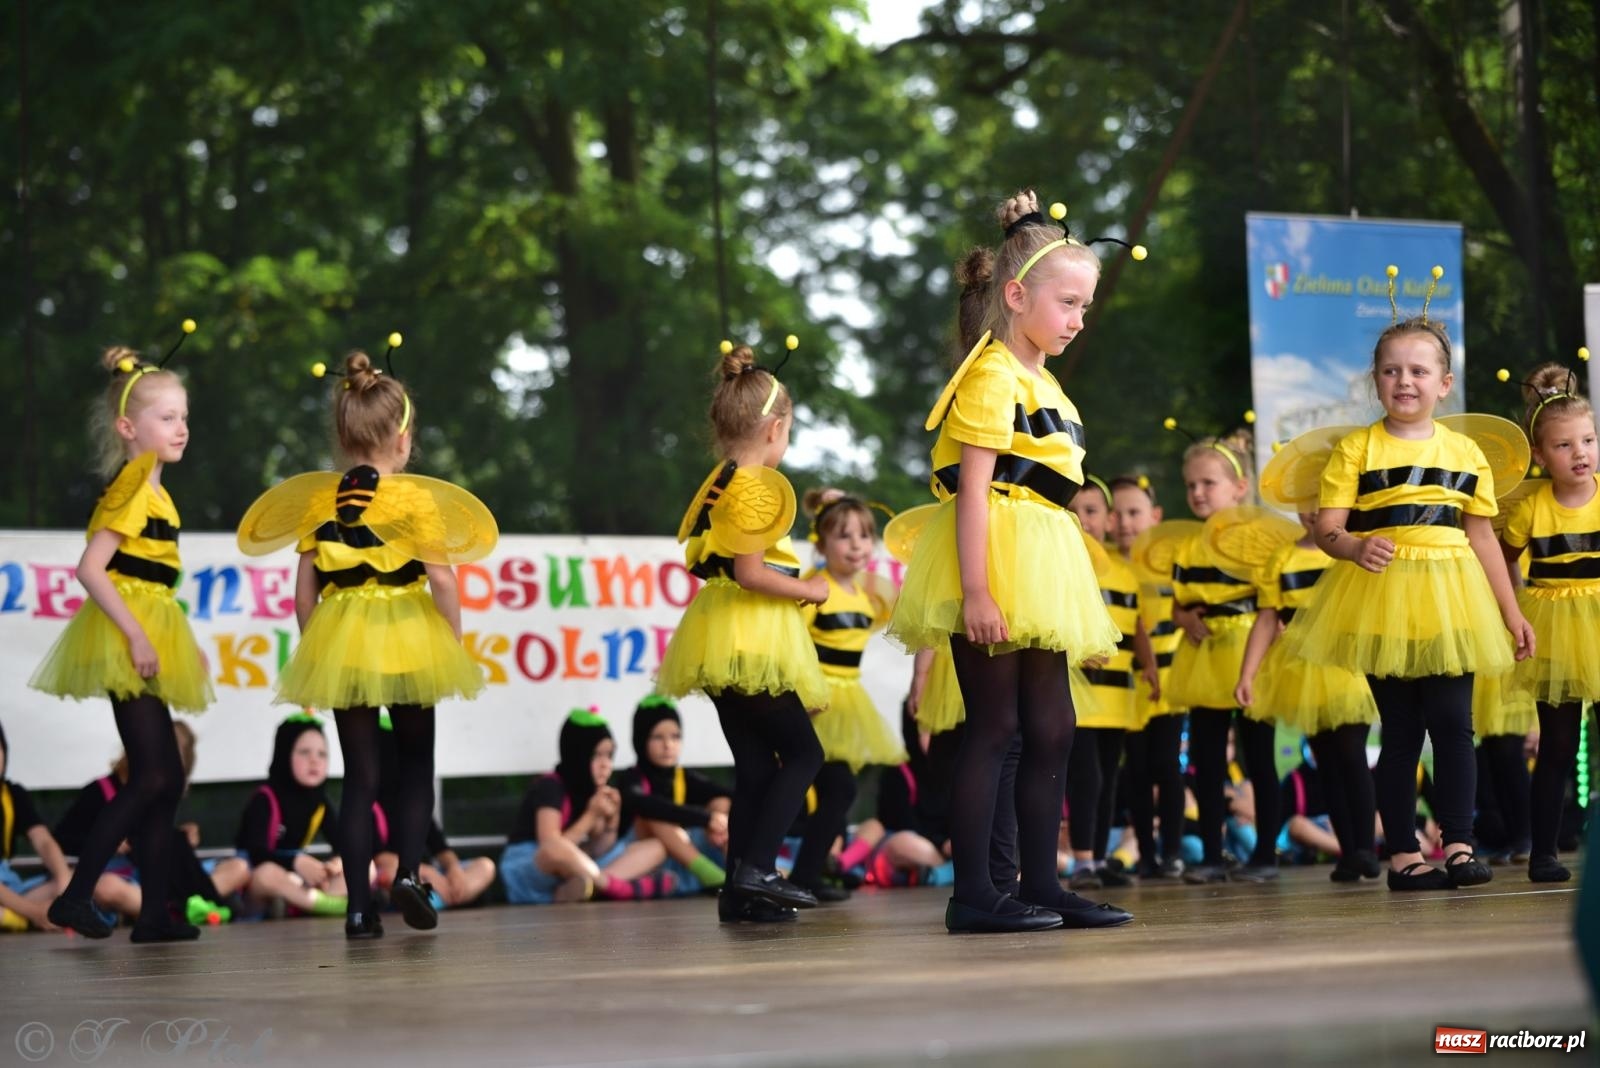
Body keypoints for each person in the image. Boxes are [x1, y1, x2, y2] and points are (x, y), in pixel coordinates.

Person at [888, 190, 1130, 933]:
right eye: (1067, 303)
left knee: (1053, 728)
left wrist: (1028, 230)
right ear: (1018, 296)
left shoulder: (1048, 384)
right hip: (996, 556)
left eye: (1086, 307)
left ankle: (1042, 882)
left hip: (1046, 558)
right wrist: (976, 590)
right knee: (993, 728)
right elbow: (973, 487)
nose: (1078, 320)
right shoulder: (991, 374)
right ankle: (974, 894)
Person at [237, 339, 497, 938]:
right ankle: (408, 872)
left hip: (344, 637)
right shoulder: (415, 504)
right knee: (415, 763)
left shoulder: (315, 505)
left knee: (359, 777)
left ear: (343, 434)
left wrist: (319, 651)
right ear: (403, 439)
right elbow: (444, 584)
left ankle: (358, 907)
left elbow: (304, 596)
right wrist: (451, 646)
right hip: (408, 637)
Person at [1289, 274, 1534, 891]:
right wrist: (1353, 546)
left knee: (1454, 721)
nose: (1405, 382)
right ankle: (1401, 854)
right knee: (1400, 731)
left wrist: (1510, 614)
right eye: (1392, 371)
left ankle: (1457, 842)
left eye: (1420, 371)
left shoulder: (1465, 453)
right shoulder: (1356, 450)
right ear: (1376, 380)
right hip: (1384, 595)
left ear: (1444, 384)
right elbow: (1329, 530)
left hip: (1456, 596)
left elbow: (1483, 538)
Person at [31, 324, 214, 942]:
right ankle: (77, 894)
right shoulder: (135, 485)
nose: (181, 428)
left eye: (183, 416)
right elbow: (91, 568)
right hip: (126, 638)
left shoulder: (157, 491)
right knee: (156, 778)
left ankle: (156, 914)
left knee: (164, 782)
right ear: (129, 428)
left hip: (149, 631)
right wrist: (136, 636)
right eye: (167, 417)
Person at [655, 337, 830, 924]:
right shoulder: (755, 487)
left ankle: (739, 891)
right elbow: (753, 572)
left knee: (756, 767)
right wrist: (810, 589)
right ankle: (759, 867)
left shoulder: (718, 483)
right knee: (804, 753)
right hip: (748, 639)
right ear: (776, 428)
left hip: (717, 636)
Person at [1499, 352, 1599, 882]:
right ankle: (1543, 852)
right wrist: (1514, 613)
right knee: (1557, 745)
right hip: (1555, 624)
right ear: (1540, 455)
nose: (1579, 454)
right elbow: (1503, 563)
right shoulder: (1531, 507)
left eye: (1587, 440)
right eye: (1564, 446)